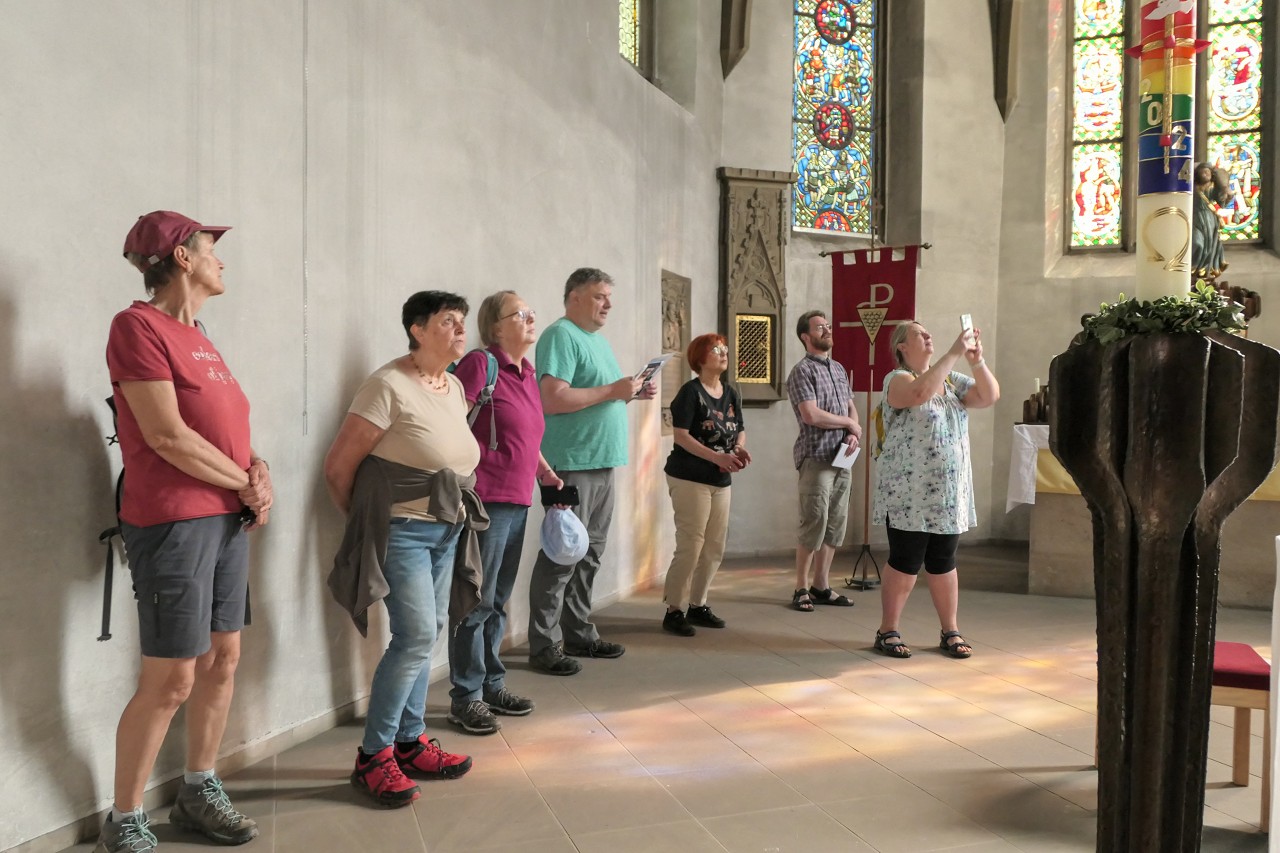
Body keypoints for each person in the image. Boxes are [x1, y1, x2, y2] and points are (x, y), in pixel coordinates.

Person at [96, 211, 272, 853]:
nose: (221, 258)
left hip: (226, 516)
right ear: (180, 257)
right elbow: (167, 435)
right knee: (171, 678)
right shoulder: (137, 327)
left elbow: (226, 430)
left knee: (223, 659)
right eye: (210, 247)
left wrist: (260, 472)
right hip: (173, 520)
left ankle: (199, 788)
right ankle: (124, 821)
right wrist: (244, 482)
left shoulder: (203, 336)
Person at [323, 291, 480, 807]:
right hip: (402, 531)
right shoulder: (387, 385)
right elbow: (340, 467)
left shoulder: (453, 385)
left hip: (445, 528)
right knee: (414, 636)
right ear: (417, 329)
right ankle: (373, 757)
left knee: (430, 631)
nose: (460, 330)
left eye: (462, 322)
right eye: (448, 321)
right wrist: (370, 525)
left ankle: (410, 743)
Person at [526, 267, 657, 676]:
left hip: (602, 462)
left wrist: (630, 395)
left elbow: (596, 399)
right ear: (575, 296)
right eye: (600, 296)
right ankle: (544, 644)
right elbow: (553, 398)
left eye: (608, 297)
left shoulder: (597, 342)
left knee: (590, 554)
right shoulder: (560, 335)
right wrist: (614, 391)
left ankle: (578, 632)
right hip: (570, 465)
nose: (608, 304)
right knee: (562, 554)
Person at [445, 291, 564, 734]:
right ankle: (467, 696)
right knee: (475, 599)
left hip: (518, 501)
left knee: (496, 601)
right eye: (521, 314)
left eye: (532, 312)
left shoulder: (527, 372)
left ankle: (493, 683)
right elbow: (450, 416)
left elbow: (526, 437)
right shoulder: (482, 364)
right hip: (487, 501)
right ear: (496, 327)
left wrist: (546, 473)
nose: (532, 318)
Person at [871, 321, 1000, 660]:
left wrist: (975, 360)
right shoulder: (897, 379)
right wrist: (954, 352)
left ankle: (950, 630)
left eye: (929, 331)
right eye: (918, 333)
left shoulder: (951, 381)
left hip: (947, 492)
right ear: (902, 346)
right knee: (906, 560)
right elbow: (917, 395)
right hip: (909, 493)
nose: (928, 335)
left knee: (943, 560)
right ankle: (888, 629)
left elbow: (989, 396)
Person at [660, 333, 749, 636]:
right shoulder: (690, 392)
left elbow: (739, 429)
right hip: (689, 476)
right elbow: (681, 436)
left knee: (714, 545)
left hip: (720, 478)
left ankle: (698, 604)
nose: (724, 353)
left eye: (725, 348)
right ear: (700, 358)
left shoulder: (731, 392)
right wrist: (716, 457)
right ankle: (674, 609)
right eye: (716, 349)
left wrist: (737, 449)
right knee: (691, 543)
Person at [785, 310, 861, 612]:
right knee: (813, 522)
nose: (827, 329)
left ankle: (821, 585)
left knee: (835, 524)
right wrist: (848, 423)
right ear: (806, 336)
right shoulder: (802, 371)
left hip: (842, 458)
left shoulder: (839, 368)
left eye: (828, 325)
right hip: (816, 457)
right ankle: (800, 587)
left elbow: (851, 407)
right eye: (820, 327)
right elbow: (811, 415)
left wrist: (853, 431)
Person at [1192, 162, 1230, 277]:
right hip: (1196, 217)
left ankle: (1204, 269)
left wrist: (1224, 191)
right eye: (1202, 172)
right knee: (1197, 243)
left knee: (1209, 244)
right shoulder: (1193, 187)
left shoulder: (1213, 187)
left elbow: (1221, 199)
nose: (1205, 174)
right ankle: (1193, 267)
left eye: (1207, 172)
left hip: (1209, 218)